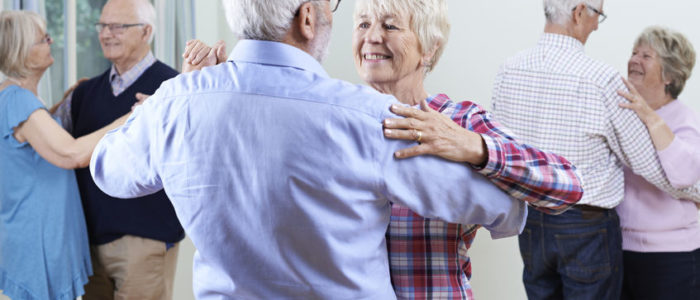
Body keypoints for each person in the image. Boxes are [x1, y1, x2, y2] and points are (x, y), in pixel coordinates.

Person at [89, 0, 533, 298]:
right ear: (306, 18)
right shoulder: (368, 117)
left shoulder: (175, 102)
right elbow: (501, 208)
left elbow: (108, 169)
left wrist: (178, 97)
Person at [347, 0, 584, 298]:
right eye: (363, 24)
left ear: (429, 47)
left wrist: (472, 146)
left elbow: (569, 186)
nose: (371, 37)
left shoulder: (459, 120)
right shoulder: (338, 121)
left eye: (390, 25)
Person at [490, 1, 700, 299]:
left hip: (530, 221)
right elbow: (648, 164)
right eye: (596, 15)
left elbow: (499, 148)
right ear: (578, 13)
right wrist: (695, 192)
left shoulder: (509, 70)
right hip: (584, 227)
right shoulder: (601, 80)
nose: (597, 24)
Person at [54, 0, 184, 298]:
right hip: (88, 243)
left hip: (146, 240)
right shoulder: (84, 92)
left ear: (146, 31)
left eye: (117, 26)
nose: (106, 34)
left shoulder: (174, 88)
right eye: (102, 26)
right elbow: (51, 145)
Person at [0, 10, 127, 300]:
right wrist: (132, 117)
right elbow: (71, 154)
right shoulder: (19, 101)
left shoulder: (16, 98)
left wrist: (60, 104)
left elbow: (33, 141)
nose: (51, 41)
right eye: (43, 39)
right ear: (22, 52)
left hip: (36, 233)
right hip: (38, 240)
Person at [614, 26, 700, 300]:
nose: (634, 60)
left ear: (670, 75)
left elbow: (685, 174)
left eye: (646, 55)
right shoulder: (622, 115)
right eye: (634, 52)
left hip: (672, 258)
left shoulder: (686, 121)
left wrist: (650, 117)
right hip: (621, 252)